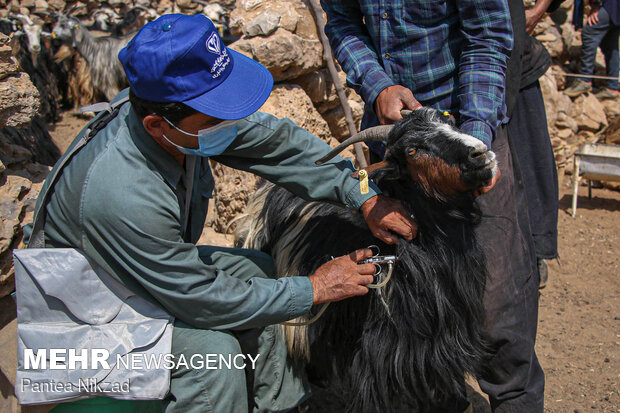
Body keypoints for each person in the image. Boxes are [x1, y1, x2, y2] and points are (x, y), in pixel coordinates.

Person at [24, 14, 417, 413]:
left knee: (260, 273)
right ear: (157, 124)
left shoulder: (183, 124)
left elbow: (278, 143)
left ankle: (280, 406)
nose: (232, 122)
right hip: (86, 316)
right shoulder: (123, 192)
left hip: (138, 278)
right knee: (213, 359)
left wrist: (362, 194)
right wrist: (315, 288)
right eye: (217, 114)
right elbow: (201, 299)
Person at [321, 1, 544, 412]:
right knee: (413, 305)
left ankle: (513, 400)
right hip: (398, 143)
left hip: (470, 126)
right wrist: (378, 84)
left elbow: (488, 38)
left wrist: (475, 142)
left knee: (495, 303)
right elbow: (342, 23)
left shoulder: (473, 142)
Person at [564, 0, 620, 99]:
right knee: (610, 42)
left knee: (590, 32)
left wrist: (595, 5)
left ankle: (585, 79)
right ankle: (613, 87)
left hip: (611, 4)